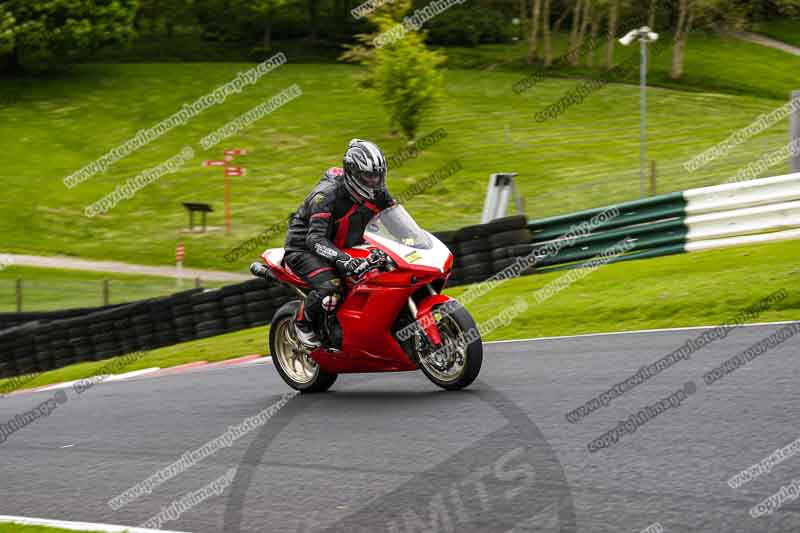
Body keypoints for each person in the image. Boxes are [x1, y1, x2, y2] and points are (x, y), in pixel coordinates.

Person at [283, 139, 396, 348]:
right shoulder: (326, 196)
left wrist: (413, 241)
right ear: (352, 173)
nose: (374, 181)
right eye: (369, 176)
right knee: (331, 288)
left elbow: (396, 220)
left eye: (378, 175)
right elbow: (315, 239)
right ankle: (302, 323)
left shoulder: (378, 192)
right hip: (304, 249)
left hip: (344, 243)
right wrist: (343, 258)